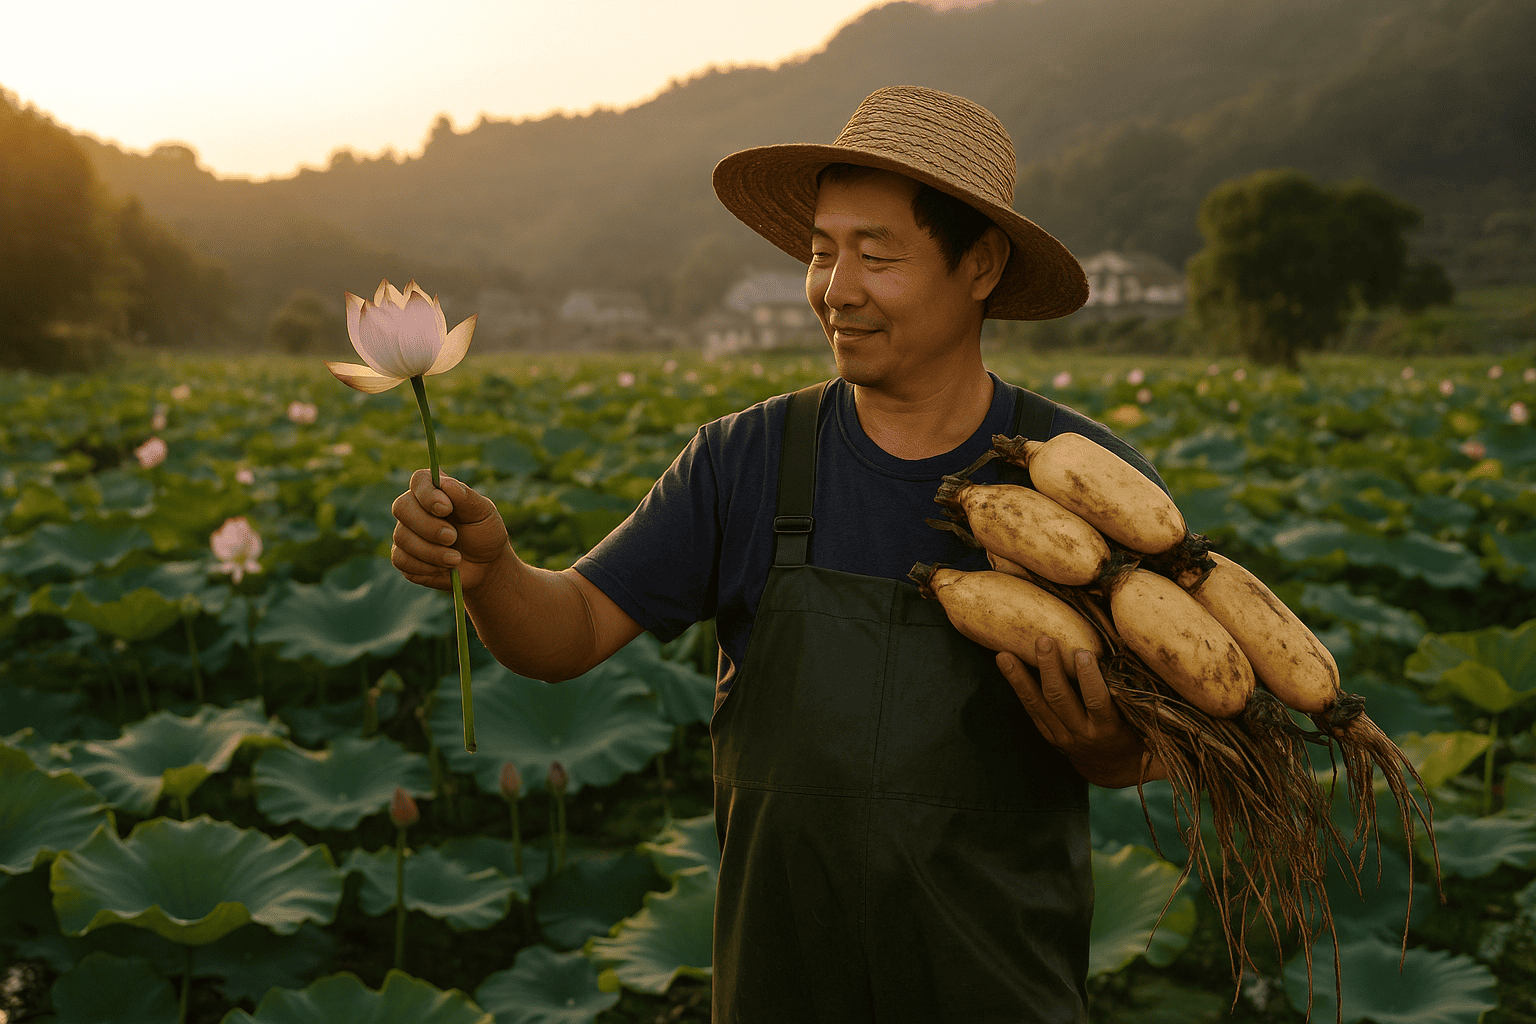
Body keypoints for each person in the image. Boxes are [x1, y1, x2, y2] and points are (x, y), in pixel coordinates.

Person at [390, 85, 1169, 1024]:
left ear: (982, 265)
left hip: (998, 986)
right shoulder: (744, 460)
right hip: (781, 985)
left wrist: (1112, 747)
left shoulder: (1091, 486)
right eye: (820, 253)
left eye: (876, 256)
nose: (835, 291)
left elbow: (1174, 729)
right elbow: (573, 630)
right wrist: (492, 571)